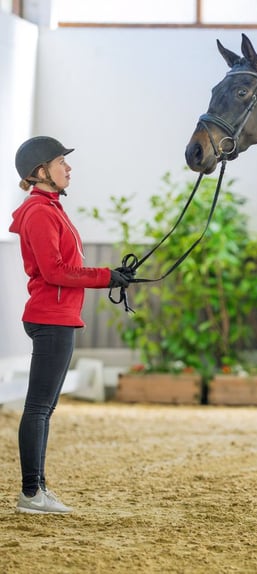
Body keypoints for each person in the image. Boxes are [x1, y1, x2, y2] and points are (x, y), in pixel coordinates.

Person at [8, 136, 133, 514]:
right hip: (51, 318)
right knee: (39, 408)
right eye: (61, 161)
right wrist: (105, 276)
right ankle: (31, 492)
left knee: (43, 408)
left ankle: (37, 488)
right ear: (40, 172)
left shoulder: (50, 207)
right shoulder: (41, 212)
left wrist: (111, 275)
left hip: (56, 317)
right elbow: (55, 271)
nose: (69, 167)